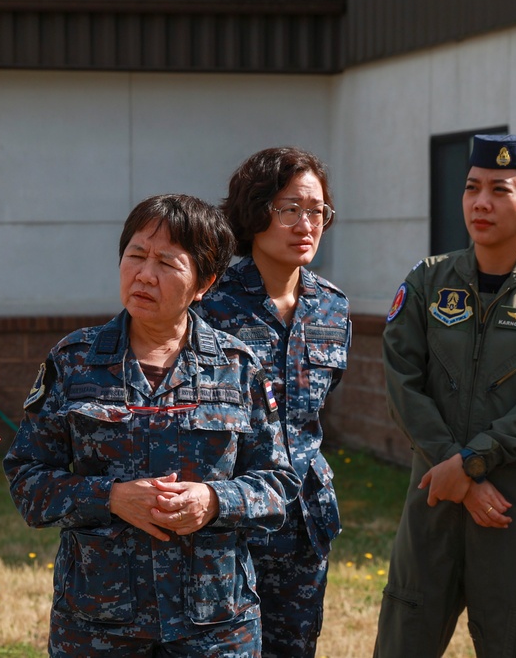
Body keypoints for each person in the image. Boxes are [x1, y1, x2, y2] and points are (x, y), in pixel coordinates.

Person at [4, 194, 299, 657]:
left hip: (214, 627)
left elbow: (279, 484)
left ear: (205, 282)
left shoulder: (238, 368)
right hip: (99, 624)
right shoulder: (76, 361)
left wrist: (214, 500)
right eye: (136, 255)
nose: (144, 274)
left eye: (167, 262)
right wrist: (111, 498)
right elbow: (27, 480)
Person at [374, 134, 516, 657]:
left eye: (500, 190)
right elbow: (401, 386)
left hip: (515, 509)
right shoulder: (428, 282)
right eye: (473, 188)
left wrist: (474, 463)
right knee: (403, 642)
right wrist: (458, 471)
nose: (481, 202)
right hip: (433, 495)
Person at [197, 146, 351, 657]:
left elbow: (313, 415)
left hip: (305, 524)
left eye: (317, 211)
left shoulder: (331, 305)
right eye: (290, 209)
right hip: (228, 523)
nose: (306, 223)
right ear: (255, 210)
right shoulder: (209, 303)